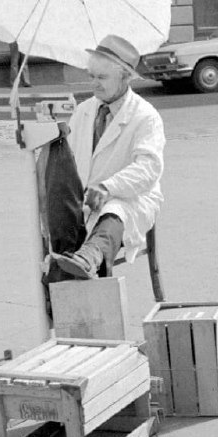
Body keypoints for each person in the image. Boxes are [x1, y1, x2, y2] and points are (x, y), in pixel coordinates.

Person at [50, 35, 165, 279]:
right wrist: (52, 139)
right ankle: (62, 276)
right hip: (85, 200)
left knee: (113, 212)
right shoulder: (83, 111)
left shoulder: (145, 116)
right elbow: (68, 163)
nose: (94, 84)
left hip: (130, 199)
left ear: (125, 77)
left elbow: (149, 168)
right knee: (58, 219)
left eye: (102, 78)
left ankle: (89, 258)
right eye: (91, 76)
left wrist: (108, 187)